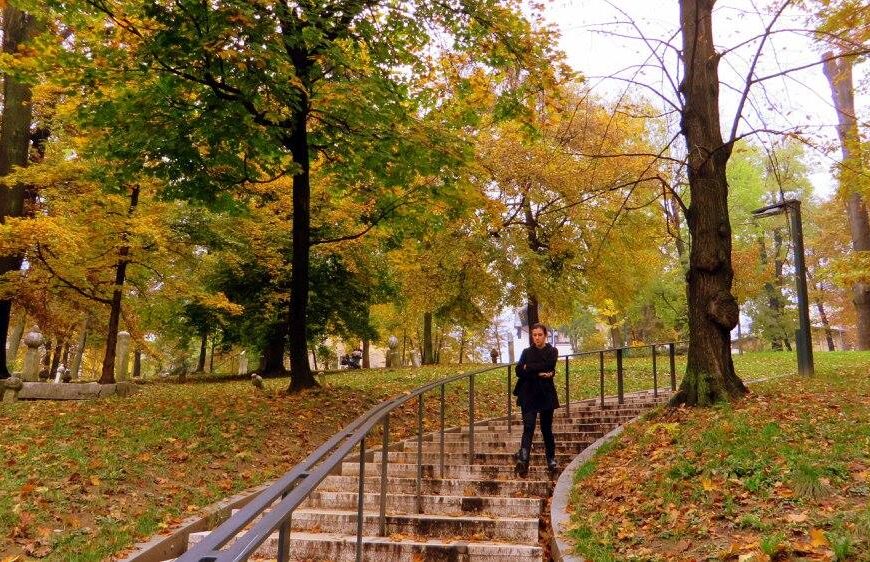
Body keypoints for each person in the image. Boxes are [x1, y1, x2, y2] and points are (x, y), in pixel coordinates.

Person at [513, 322, 559, 477]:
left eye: (540, 335)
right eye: (534, 335)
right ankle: (523, 460)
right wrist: (540, 373)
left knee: (546, 428)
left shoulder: (553, 351)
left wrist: (530, 368)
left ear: (545, 335)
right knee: (529, 426)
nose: (537, 338)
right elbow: (519, 370)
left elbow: (549, 364)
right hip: (528, 393)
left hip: (545, 394)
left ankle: (551, 459)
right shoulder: (526, 352)